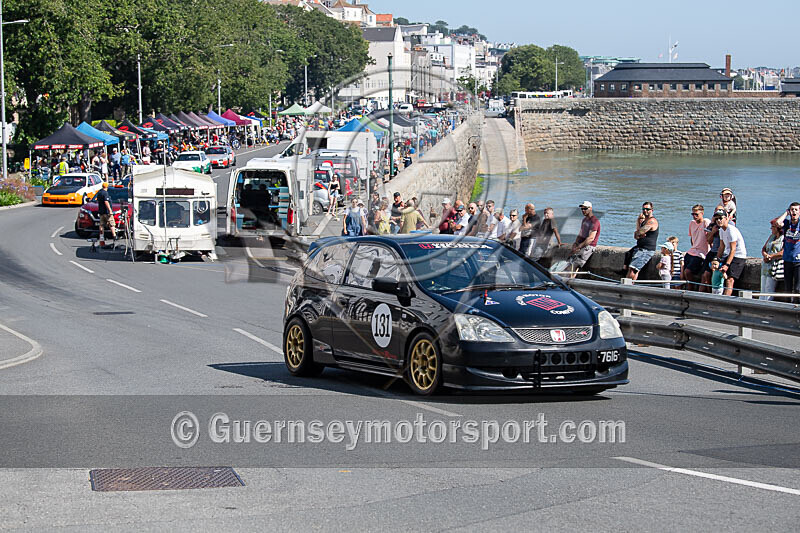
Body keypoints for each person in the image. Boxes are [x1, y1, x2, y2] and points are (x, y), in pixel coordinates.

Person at [715, 208, 747, 296]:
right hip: (728, 254)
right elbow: (721, 247)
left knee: (730, 280)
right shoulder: (721, 230)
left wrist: (727, 265)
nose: (718, 220)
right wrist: (717, 259)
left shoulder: (731, 230)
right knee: (717, 275)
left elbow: (733, 249)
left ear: (726, 218)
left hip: (738, 256)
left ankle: (725, 300)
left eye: (720, 218)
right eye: (716, 219)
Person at [566, 201, 601, 278]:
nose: (583, 210)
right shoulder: (585, 220)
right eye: (582, 209)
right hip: (581, 245)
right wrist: (575, 243)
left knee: (575, 265)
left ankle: (569, 282)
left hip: (588, 246)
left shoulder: (594, 221)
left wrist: (579, 247)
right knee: (569, 263)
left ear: (590, 209)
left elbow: (591, 238)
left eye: (585, 208)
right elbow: (581, 234)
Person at [626, 201, 659, 281]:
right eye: (643, 209)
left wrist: (639, 233)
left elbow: (639, 232)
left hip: (646, 250)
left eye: (647, 209)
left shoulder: (652, 221)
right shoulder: (644, 222)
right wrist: (638, 222)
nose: (645, 211)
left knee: (633, 269)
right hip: (640, 248)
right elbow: (636, 236)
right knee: (633, 269)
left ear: (652, 210)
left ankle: (627, 287)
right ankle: (629, 287)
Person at [683, 205, 710, 291]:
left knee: (688, 271)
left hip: (701, 253)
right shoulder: (692, 223)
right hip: (692, 250)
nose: (694, 216)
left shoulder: (706, 222)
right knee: (683, 273)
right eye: (693, 214)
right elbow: (692, 237)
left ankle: (691, 289)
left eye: (696, 214)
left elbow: (710, 237)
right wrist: (694, 246)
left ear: (702, 213)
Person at [776, 202, 800, 301]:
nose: (794, 211)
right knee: (787, 288)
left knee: (798, 288)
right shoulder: (787, 224)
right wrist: (786, 213)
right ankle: (787, 307)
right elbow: (777, 223)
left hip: (798, 261)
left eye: (796, 209)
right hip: (787, 260)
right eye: (792, 209)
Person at [760, 219, 784, 301]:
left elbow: (783, 252)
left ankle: (768, 304)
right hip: (766, 266)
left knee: (769, 288)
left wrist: (771, 256)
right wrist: (765, 255)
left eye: (773, 227)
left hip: (774, 267)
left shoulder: (783, 238)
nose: (771, 229)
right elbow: (764, 248)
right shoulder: (771, 237)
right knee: (762, 288)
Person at [95, 182, 116, 246]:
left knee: (101, 225)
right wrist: (110, 211)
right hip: (106, 212)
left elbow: (97, 200)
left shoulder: (99, 192)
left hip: (101, 212)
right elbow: (106, 202)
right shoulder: (105, 193)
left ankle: (101, 238)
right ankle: (114, 236)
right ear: (107, 187)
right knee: (112, 224)